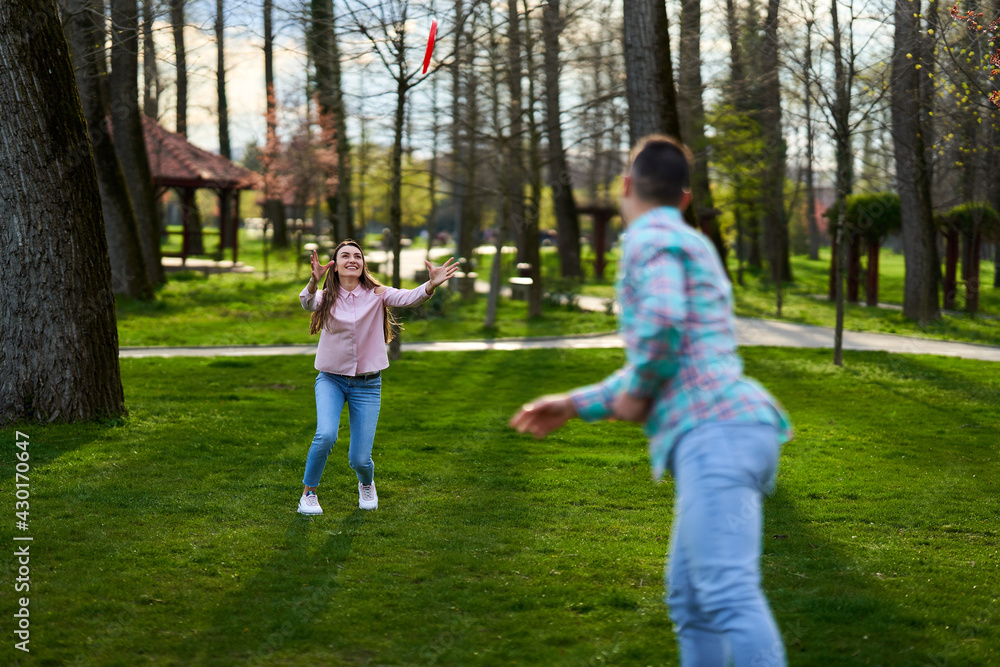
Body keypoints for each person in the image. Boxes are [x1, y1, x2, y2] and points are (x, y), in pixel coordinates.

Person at [510, 136, 793, 667]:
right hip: (733, 428)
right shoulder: (693, 242)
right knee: (689, 599)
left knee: (727, 594)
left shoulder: (648, 239)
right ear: (685, 198)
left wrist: (637, 394)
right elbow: (672, 347)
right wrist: (574, 402)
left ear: (624, 187)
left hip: (716, 433)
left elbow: (661, 324)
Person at [298, 239, 458, 514]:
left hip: (368, 385)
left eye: (357, 256)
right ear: (334, 268)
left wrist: (431, 284)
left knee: (360, 458)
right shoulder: (326, 297)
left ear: (363, 264)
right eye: (345, 256)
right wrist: (313, 281)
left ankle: (366, 483)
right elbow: (307, 302)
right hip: (331, 380)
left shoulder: (377, 294)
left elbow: (409, 297)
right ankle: (309, 493)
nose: (352, 260)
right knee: (325, 435)